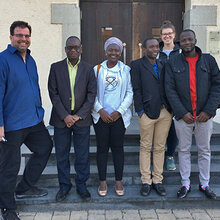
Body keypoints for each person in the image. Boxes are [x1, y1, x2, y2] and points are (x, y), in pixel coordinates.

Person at [0, 21, 53, 220]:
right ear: (11, 37)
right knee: (9, 166)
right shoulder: (2, 60)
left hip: (33, 120)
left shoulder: (30, 60)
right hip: (11, 124)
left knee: (45, 147)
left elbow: (34, 87)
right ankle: (7, 208)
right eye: (19, 35)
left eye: (27, 35)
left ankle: (24, 188)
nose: (23, 39)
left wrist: (39, 111)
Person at [165, 29, 220, 200]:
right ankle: (185, 184)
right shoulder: (172, 62)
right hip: (184, 117)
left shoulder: (209, 61)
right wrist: (181, 112)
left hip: (204, 116)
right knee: (183, 150)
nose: (187, 42)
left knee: (204, 150)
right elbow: (169, 89)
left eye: (190, 39)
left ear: (195, 40)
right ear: (179, 43)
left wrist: (209, 111)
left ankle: (205, 184)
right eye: (183, 40)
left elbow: (217, 86)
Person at [48, 36, 97, 202]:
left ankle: (82, 186)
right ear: (65, 49)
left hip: (81, 120)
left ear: (81, 48)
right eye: (70, 47)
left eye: (76, 47)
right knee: (62, 155)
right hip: (61, 120)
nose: (73, 50)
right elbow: (53, 94)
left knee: (82, 155)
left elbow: (91, 95)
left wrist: (77, 115)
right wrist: (65, 116)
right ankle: (64, 187)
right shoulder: (55, 68)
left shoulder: (89, 69)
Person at [92, 37, 133, 197]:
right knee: (102, 149)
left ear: (120, 52)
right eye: (110, 49)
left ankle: (118, 181)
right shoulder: (97, 69)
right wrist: (100, 110)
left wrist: (119, 111)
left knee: (118, 149)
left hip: (118, 117)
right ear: (105, 51)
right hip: (101, 117)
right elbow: (91, 92)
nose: (113, 53)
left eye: (116, 50)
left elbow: (130, 93)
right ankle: (102, 181)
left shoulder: (126, 70)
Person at [131, 38, 172, 197]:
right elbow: (136, 89)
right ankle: (146, 181)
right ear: (145, 49)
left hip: (165, 112)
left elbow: (169, 86)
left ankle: (158, 180)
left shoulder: (163, 64)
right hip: (147, 112)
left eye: (157, 46)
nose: (155, 49)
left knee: (160, 147)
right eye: (152, 46)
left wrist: (171, 110)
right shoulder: (136, 65)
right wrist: (140, 111)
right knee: (146, 146)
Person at [158, 20, 180, 171]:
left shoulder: (180, 52)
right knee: (159, 130)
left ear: (174, 35)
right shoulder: (156, 52)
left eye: (169, 34)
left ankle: (170, 156)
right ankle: (158, 156)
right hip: (159, 98)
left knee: (173, 129)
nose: (167, 37)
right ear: (161, 36)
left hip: (177, 97)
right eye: (164, 34)